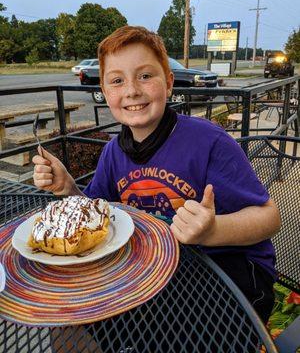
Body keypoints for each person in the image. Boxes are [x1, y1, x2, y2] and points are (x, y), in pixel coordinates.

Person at [33, 25, 280, 324]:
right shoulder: (114, 152)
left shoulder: (209, 142)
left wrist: (212, 230)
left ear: (169, 83)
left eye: (146, 76)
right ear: (105, 91)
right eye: (117, 81)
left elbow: (269, 217)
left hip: (230, 274)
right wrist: (68, 188)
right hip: (157, 271)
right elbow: (99, 218)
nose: (132, 90)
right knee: (76, 316)